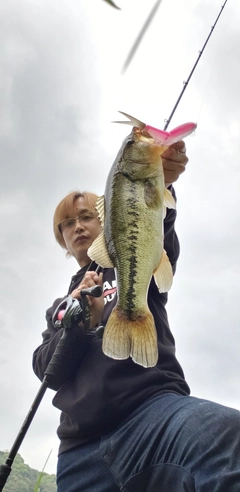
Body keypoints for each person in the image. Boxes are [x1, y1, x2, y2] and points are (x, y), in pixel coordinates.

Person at [33, 140, 240, 492]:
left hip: (155, 414)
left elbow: (158, 224)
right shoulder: (59, 307)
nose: (78, 227)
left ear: (107, 218)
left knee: (225, 434)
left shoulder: (140, 257)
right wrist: (80, 323)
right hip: (79, 449)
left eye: (86, 217)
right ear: (62, 240)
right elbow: (45, 370)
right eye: (67, 224)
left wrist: (162, 182)